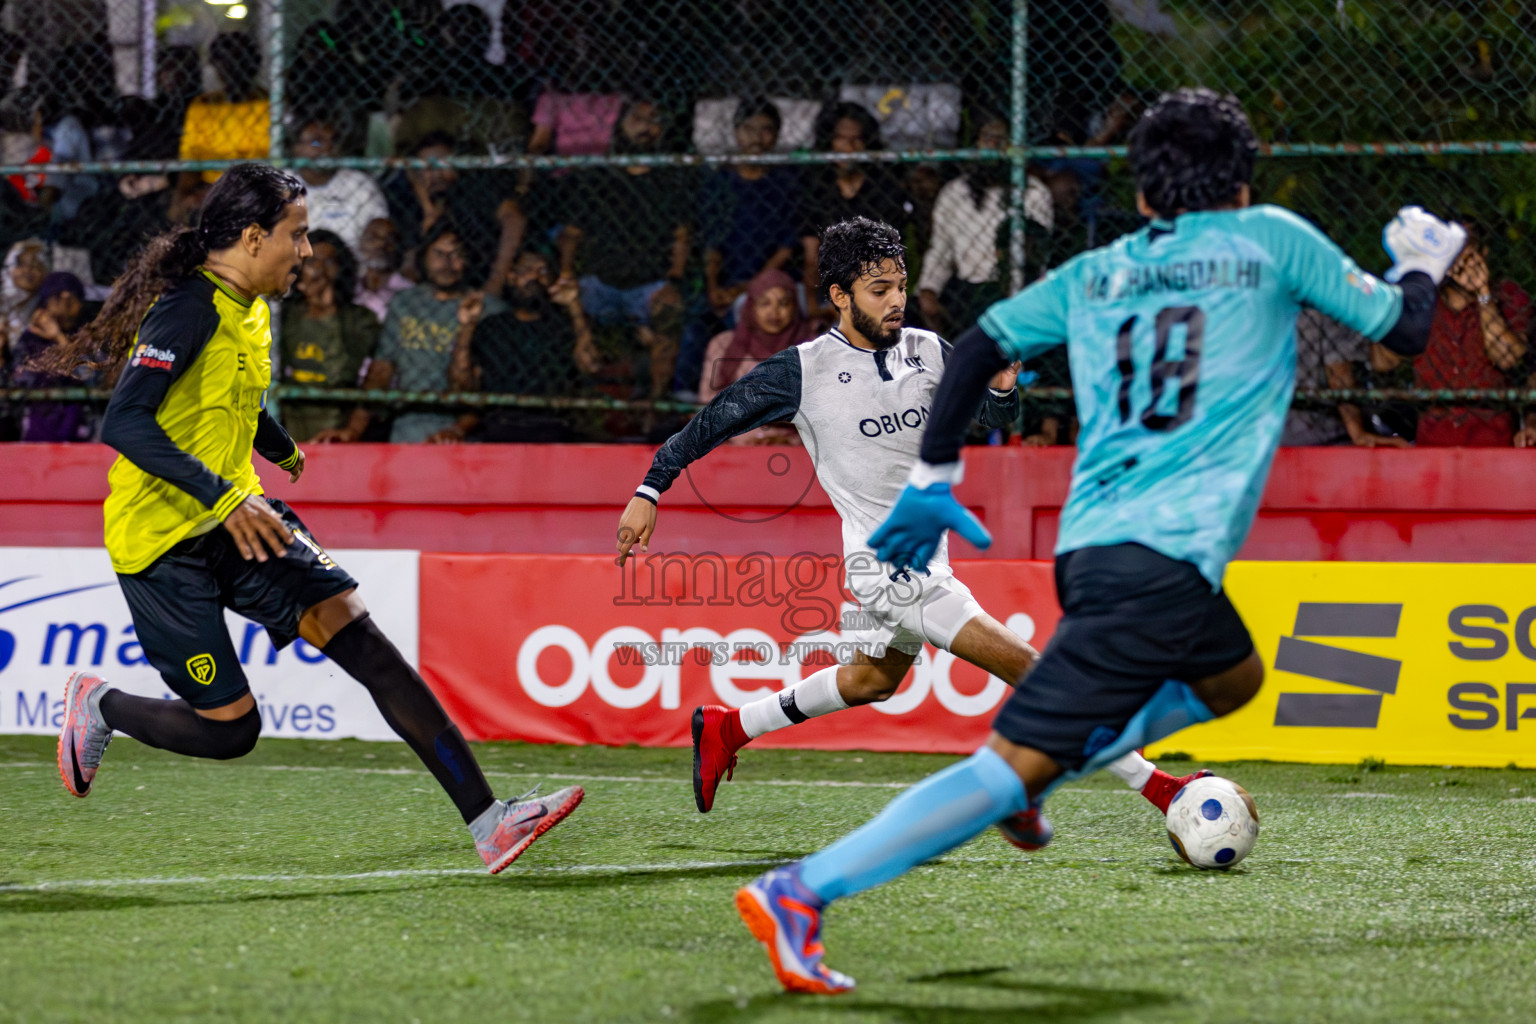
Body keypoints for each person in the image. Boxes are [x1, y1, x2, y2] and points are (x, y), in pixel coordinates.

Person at [731, 89, 1452, 994]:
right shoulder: (1267, 236)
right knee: (1010, 771)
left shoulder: (1100, 270)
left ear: (1146, 197)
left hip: (1102, 547)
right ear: (1238, 183)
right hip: (1157, 559)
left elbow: (977, 347)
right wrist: (1423, 262)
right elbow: (1409, 328)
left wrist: (936, 476)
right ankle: (804, 890)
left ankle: (1053, 756)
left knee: (1235, 674)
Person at [48, 163, 580, 874]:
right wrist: (227, 495)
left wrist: (276, 447)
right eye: (297, 236)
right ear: (251, 236)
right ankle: (102, 705)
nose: (307, 252)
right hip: (163, 545)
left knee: (364, 641)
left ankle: (492, 822)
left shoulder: (255, 308)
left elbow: (229, 397)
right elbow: (127, 422)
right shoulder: (187, 309)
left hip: (245, 521)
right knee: (231, 731)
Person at [614, 217, 1204, 824]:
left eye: (899, 284)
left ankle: (729, 727)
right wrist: (650, 489)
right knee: (1032, 669)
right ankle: (1162, 789)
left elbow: (992, 412)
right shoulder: (803, 370)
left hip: (930, 555)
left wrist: (1001, 388)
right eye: (878, 289)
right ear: (840, 297)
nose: (895, 299)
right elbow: (711, 422)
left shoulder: (928, 349)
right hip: (885, 567)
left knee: (871, 679)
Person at [316, 220, 506, 444]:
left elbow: (487, 390)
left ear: (468, 259)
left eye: (456, 254)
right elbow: (380, 372)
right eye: (438, 253)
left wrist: (458, 429)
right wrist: (353, 431)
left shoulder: (489, 309)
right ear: (424, 256)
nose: (447, 263)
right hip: (406, 430)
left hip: (464, 437)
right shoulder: (405, 303)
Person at [557, 98, 689, 399]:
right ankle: (578, 408)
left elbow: (681, 237)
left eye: (653, 121)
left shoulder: (671, 179)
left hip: (648, 285)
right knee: (560, 306)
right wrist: (566, 274)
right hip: (600, 281)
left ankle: (653, 410)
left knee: (671, 310)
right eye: (637, 119)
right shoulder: (599, 175)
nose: (645, 128)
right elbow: (572, 234)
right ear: (621, 125)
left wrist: (674, 281)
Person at [1382, 219, 1529, 447]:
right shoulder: (1423, 299)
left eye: (1465, 249)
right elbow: (1383, 361)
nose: (1457, 257)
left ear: (1483, 253)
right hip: (1433, 439)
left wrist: (1483, 292)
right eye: (1449, 247)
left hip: (1492, 439)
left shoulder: (1508, 295)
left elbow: (1507, 357)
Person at [918, 115, 1053, 337]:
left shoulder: (1033, 193)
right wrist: (928, 289)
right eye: (987, 138)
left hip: (1012, 287)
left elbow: (1038, 255)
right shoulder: (955, 192)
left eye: (1002, 139)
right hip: (966, 291)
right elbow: (941, 249)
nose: (993, 145)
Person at [451, 248, 595, 442]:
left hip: (553, 426)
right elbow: (461, 381)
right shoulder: (493, 326)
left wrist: (574, 305)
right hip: (498, 424)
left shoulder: (562, 328)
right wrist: (467, 326)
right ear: (511, 276)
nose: (534, 276)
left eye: (542, 271)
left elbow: (590, 363)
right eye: (527, 269)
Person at [798, 103, 908, 320]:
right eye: (841, 138)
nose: (849, 147)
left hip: (875, 281)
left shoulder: (884, 186)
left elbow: (887, 253)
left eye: (857, 139)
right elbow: (812, 255)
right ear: (828, 142)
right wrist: (817, 307)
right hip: (826, 283)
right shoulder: (815, 186)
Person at [278, 229, 381, 442]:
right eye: (313, 261)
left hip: (337, 425)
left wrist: (329, 311)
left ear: (341, 269)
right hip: (290, 425)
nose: (321, 270)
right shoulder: (285, 314)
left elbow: (342, 370)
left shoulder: (360, 319)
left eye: (329, 262)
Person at [701, 98, 800, 318]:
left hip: (770, 282)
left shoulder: (785, 184)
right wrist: (713, 287)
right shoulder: (721, 182)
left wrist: (747, 288)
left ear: (776, 136)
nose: (756, 137)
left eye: (766, 130)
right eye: (749, 129)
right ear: (736, 134)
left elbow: (786, 248)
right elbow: (712, 243)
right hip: (727, 279)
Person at [696, 269, 817, 445]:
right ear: (751, 307)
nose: (774, 312)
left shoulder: (811, 348)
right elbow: (707, 403)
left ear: (795, 307)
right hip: (736, 441)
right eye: (765, 303)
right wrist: (752, 436)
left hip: (799, 444)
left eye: (784, 303)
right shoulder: (723, 345)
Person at [1281, 309, 1408, 448]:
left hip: (1271, 422)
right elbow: (1339, 375)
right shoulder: (1333, 306)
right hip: (1318, 430)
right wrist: (1357, 432)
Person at [290, 115, 389, 254]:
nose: (327, 148)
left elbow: (380, 235)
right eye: (317, 142)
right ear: (296, 148)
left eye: (334, 141)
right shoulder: (276, 185)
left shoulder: (360, 185)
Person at [10, 271, 89, 441]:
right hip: (36, 420)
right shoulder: (30, 339)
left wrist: (58, 337)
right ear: (45, 303)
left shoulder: (87, 335)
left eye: (72, 299)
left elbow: (88, 376)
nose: (65, 306)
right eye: (58, 299)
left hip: (78, 422)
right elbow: (20, 379)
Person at [179, 34, 270, 183]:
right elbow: (190, 157)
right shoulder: (203, 105)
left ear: (254, 64)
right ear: (214, 65)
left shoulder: (267, 105)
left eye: (239, 60)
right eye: (223, 60)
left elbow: (264, 159)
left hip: (256, 184)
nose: (231, 67)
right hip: (209, 185)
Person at [353, 216, 412, 323]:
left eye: (389, 239)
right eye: (372, 237)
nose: (380, 244)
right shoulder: (349, 286)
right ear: (360, 243)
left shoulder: (408, 291)